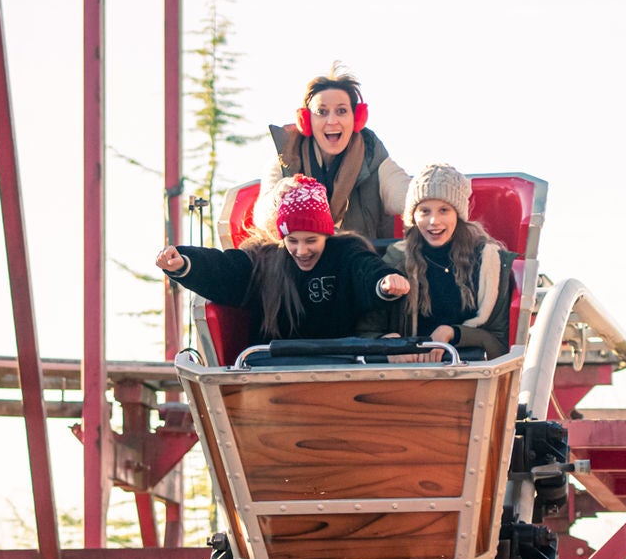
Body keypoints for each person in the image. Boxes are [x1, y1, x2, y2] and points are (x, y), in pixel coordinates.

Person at [157, 174, 409, 344]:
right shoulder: (265, 261)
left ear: (326, 234)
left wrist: (384, 283)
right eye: (292, 241)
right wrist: (185, 263)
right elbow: (226, 271)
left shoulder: (345, 253)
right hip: (277, 362)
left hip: (337, 358)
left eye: (311, 241)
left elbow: (366, 271)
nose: (301, 251)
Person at [379, 162, 516, 359]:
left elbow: (499, 344)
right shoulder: (397, 258)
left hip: (470, 373)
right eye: (425, 211)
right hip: (409, 372)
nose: (434, 221)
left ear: (458, 214)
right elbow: (367, 329)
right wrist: (387, 339)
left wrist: (453, 332)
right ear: (413, 216)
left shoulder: (488, 261)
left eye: (444, 210)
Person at [260, 68, 410, 242]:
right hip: (297, 260)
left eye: (341, 111)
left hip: (359, 261)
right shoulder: (284, 155)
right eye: (322, 112)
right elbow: (262, 219)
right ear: (307, 120)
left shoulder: (374, 156)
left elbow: (404, 196)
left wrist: (429, 200)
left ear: (357, 117)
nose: (332, 121)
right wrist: (278, 197)